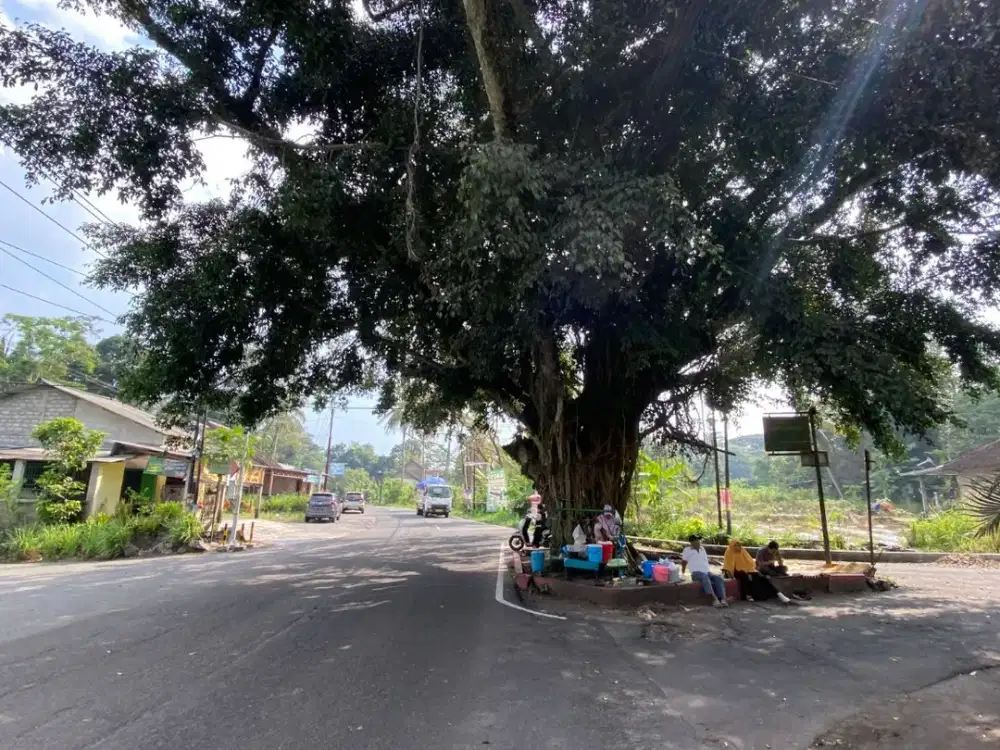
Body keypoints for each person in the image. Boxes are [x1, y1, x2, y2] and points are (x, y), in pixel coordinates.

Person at [723, 540, 793, 604]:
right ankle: (747, 595)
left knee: (762, 578)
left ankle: (779, 594)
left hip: (748, 569)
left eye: (739, 546)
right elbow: (728, 565)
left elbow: (750, 563)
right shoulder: (729, 552)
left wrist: (780, 562)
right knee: (744, 576)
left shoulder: (742, 551)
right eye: (736, 546)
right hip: (736, 571)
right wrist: (730, 574)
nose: (738, 548)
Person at [681, 534, 728, 608]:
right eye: (697, 540)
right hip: (696, 573)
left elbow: (704, 561)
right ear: (692, 542)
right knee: (704, 577)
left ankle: (722, 599)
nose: (699, 542)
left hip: (706, 572)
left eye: (699, 540)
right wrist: (683, 573)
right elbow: (684, 562)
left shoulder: (702, 549)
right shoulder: (687, 550)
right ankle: (714, 599)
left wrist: (709, 571)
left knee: (718, 578)